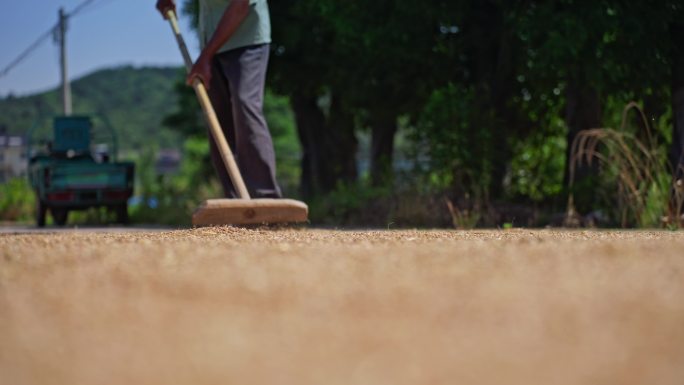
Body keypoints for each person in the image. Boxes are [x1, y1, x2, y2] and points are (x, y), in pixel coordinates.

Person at [156, 0, 282, 199]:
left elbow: (240, 6)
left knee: (245, 107)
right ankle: (235, 202)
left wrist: (205, 56)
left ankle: (265, 198)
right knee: (217, 120)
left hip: (247, 38)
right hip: (212, 40)